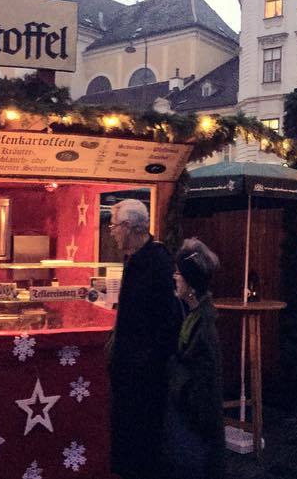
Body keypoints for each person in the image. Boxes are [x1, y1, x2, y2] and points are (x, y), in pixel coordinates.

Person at [108, 199, 182, 479]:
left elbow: (166, 321)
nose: (112, 232)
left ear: (129, 227)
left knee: (144, 440)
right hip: (131, 369)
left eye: (115, 226)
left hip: (145, 374)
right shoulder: (135, 259)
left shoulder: (157, 263)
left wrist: (143, 362)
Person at [167, 239, 225, 479]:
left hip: (194, 426)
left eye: (179, 273)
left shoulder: (201, 326)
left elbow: (201, 384)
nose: (174, 277)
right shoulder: (195, 314)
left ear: (190, 283)